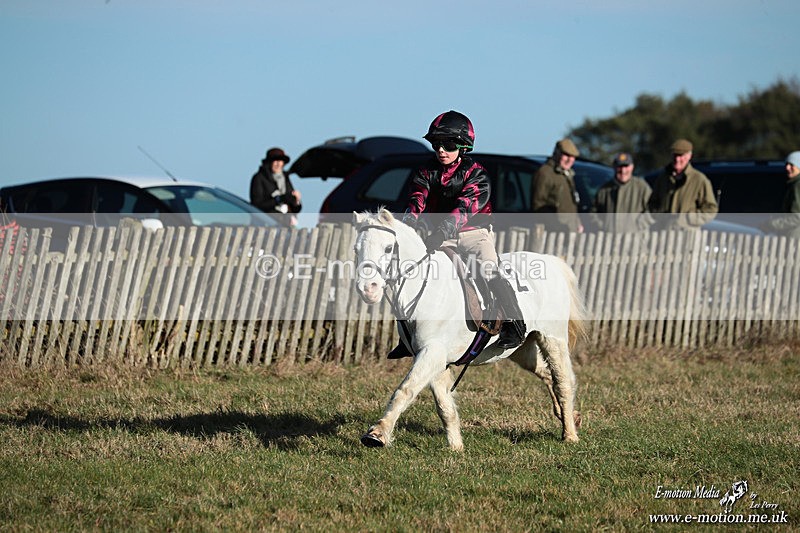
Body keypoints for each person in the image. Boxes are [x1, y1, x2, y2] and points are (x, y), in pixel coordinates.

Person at [387, 110, 526, 358]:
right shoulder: (425, 171)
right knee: (416, 269)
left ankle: (513, 326)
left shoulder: (478, 174)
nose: (441, 150)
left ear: (463, 147)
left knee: (488, 268)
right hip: (440, 234)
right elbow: (416, 200)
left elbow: (464, 210)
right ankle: (408, 335)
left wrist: (440, 232)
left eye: (448, 145)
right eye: (436, 144)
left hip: (474, 233)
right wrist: (408, 226)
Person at [648, 139, 718, 229]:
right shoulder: (662, 178)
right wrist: (660, 217)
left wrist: (688, 218)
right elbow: (652, 204)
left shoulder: (699, 180)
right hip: (664, 234)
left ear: (689, 156)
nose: (677, 159)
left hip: (688, 236)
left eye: (681, 155)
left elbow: (711, 209)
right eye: (675, 155)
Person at [589, 152, 653, 233]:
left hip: (635, 240)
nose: (623, 171)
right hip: (610, 240)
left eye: (626, 166)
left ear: (632, 167)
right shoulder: (604, 190)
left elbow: (654, 210)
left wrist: (639, 225)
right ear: (614, 167)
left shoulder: (642, 187)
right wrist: (603, 226)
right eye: (619, 167)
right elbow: (593, 213)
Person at [530, 138, 584, 233]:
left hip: (569, 231)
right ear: (557, 153)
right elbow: (538, 205)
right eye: (566, 155)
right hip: (553, 232)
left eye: (572, 157)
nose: (569, 160)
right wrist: (556, 226)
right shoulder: (545, 173)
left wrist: (577, 223)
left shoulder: (567, 174)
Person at [249, 147, 302, 226]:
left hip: (285, 223)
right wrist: (279, 199)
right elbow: (256, 205)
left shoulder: (285, 177)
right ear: (269, 162)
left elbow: (295, 208)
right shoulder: (259, 178)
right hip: (265, 224)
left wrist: (296, 202)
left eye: (281, 161)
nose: (278, 164)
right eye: (275, 161)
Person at [760, 151, 800, 238]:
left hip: (795, 239)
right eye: (786, 164)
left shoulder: (797, 185)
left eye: (791, 164)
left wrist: (772, 224)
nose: (787, 168)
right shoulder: (792, 184)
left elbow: (796, 217)